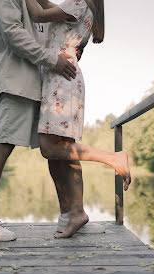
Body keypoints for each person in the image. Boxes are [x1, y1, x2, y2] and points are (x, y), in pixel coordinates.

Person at [0, 0, 80, 241]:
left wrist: (66, 50)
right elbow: (12, 33)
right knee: (3, 144)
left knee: (54, 150)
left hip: (43, 84)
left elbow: (53, 24)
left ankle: (67, 216)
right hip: (17, 82)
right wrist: (52, 59)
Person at [25, 0, 132, 238]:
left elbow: (37, 15)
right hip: (60, 78)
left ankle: (113, 158)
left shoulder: (79, 3)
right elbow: (48, 7)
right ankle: (76, 213)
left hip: (62, 81)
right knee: (63, 152)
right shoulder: (84, 5)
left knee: (49, 148)